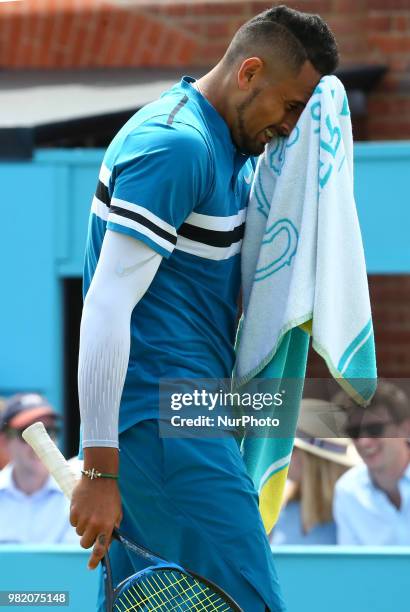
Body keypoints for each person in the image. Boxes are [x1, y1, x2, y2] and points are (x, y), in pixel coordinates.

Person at [70, 6, 339, 610]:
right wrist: (99, 467)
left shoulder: (231, 148)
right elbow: (105, 307)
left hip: (186, 418)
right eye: (290, 107)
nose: (291, 127)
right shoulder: (175, 145)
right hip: (163, 425)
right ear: (249, 72)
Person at [270, 399, 361, 545]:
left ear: (310, 460)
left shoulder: (350, 512)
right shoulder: (281, 504)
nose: (277, 454)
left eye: (288, 448)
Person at [333, 381, 410, 545]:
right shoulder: (347, 491)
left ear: (405, 428)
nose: (363, 442)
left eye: (375, 429)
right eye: (353, 432)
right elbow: (354, 567)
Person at [0, 393, 79, 544]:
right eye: (27, 433)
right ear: (4, 441)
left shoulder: (81, 493)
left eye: (50, 431)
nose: (42, 442)